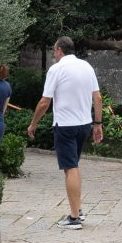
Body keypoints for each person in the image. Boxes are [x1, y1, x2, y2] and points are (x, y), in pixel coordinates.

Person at [25, 37, 101, 229]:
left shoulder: (56, 69)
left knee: (70, 168)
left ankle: (74, 218)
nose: (53, 53)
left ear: (59, 50)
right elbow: (98, 98)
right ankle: (79, 209)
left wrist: (33, 123)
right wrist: (98, 124)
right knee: (73, 166)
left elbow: (44, 102)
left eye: (53, 50)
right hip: (84, 124)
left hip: (66, 126)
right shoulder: (87, 67)